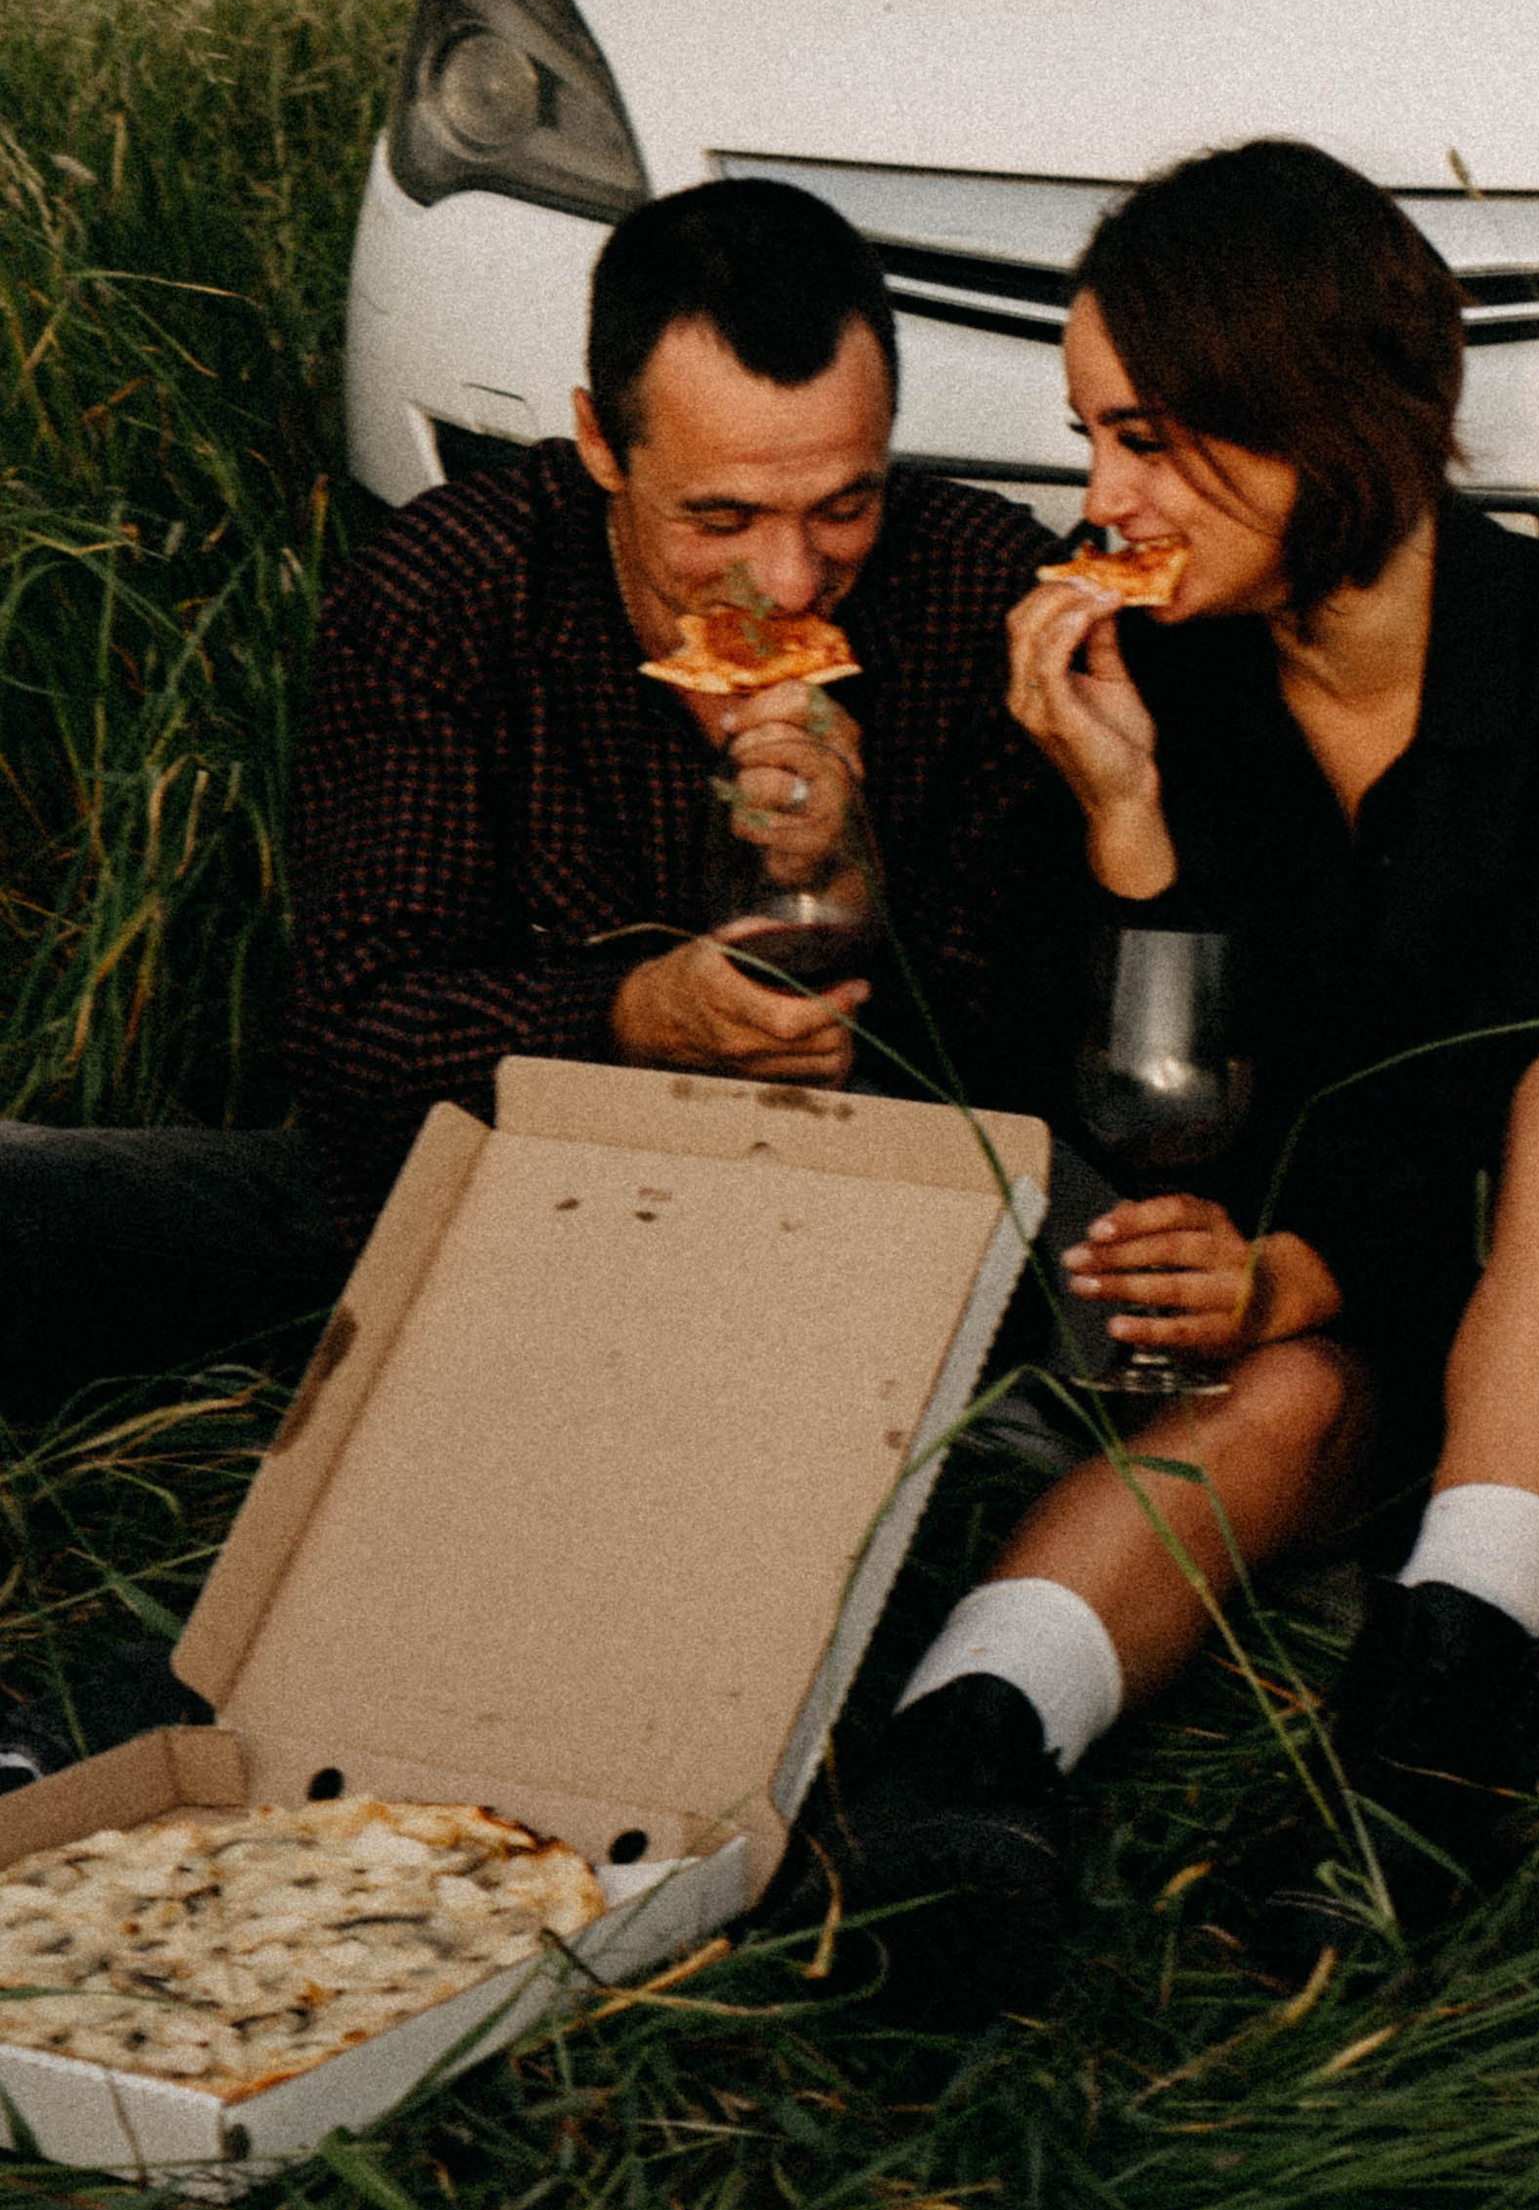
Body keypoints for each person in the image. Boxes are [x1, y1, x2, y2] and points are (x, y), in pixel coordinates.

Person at [822, 138, 1539, 2009]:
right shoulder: (1167, 673)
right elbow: (1146, 1115)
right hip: (1290, 1313)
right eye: (1093, 436)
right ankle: (959, 1761)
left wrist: (1296, 1256)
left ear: (1316, 416)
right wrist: (1128, 819)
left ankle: (1429, 1745)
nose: (1101, 495)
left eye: (1147, 440)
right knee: (1275, 1405)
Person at [0, 177, 1069, 1414]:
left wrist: (848, 871)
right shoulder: (455, 589)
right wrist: (630, 1013)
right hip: (489, 1200)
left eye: (846, 503)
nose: (788, 579)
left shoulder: (977, 585)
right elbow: (355, 1028)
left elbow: (1020, 1050)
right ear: (601, 445)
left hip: (853, 1225)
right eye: (719, 515)